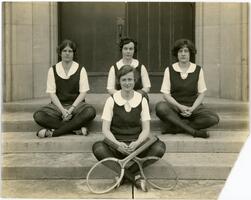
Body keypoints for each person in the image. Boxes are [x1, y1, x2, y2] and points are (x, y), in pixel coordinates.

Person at [93, 65, 165, 192]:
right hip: (117, 145)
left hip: (136, 146)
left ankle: (124, 176)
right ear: (119, 81)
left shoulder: (142, 100)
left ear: (135, 80)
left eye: (130, 80)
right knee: (98, 148)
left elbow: (146, 129)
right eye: (124, 80)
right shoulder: (111, 100)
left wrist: (137, 143)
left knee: (159, 147)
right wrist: (117, 144)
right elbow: (105, 130)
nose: (127, 83)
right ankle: (135, 177)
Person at [155, 39, 219, 138]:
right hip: (175, 107)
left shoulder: (198, 69)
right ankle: (193, 132)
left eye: (186, 51)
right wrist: (180, 106)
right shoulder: (170, 69)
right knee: (160, 107)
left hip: (193, 107)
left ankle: (177, 128)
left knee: (213, 118)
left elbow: (202, 93)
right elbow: (165, 95)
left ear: (190, 53)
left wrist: (192, 108)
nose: (183, 54)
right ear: (176, 54)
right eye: (180, 51)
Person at [33, 39, 96, 138]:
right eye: (64, 51)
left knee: (90, 112)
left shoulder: (80, 69)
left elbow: (83, 93)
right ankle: (75, 129)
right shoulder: (52, 70)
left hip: (76, 106)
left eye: (70, 51)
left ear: (73, 53)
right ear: (60, 53)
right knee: (38, 115)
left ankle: (54, 133)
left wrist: (70, 109)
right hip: (57, 106)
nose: (67, 53)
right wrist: (62, 110)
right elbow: (52, 93)